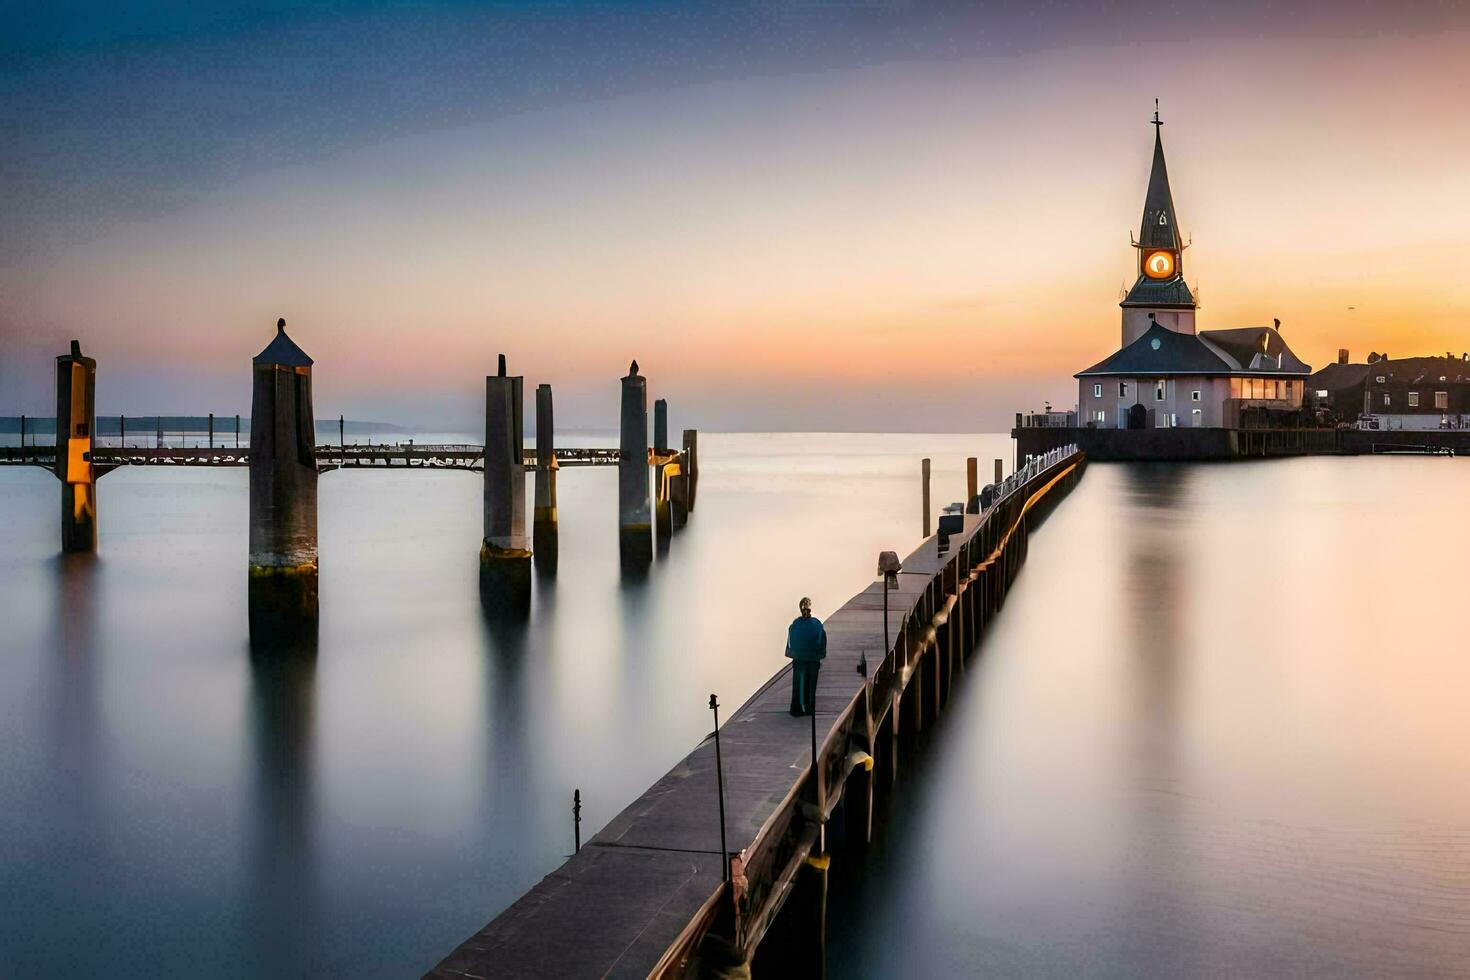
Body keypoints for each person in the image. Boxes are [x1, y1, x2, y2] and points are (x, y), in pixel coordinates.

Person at [786, 597, 827, 716]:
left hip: (799, 659)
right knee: (811, 684)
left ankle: (797, 709)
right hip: (813, 659)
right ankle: (809, 708)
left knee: (798, 683)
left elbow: (790, 643)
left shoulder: (795, 625)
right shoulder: (817, 624)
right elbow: (822, 641)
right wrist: (819, 654)